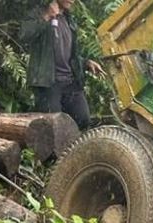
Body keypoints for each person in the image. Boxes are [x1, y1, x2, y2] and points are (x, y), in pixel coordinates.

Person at [19, 0, 103, 130]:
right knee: (52, 127)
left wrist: (86, 63)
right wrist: (47, 15)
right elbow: (24, 35)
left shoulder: (69, 19)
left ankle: (74, 150)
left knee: (83, 119)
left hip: (70, 81)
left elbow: (69, 54)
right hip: (48, 83)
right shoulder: (39, 13)